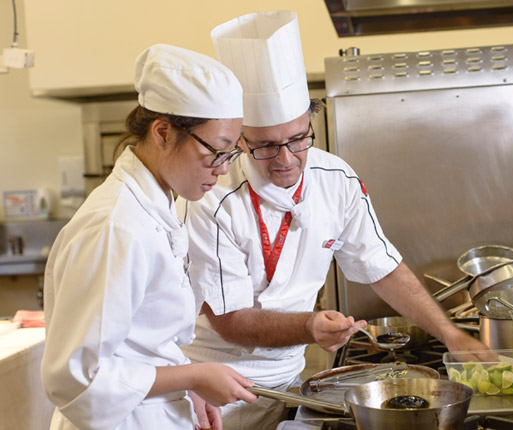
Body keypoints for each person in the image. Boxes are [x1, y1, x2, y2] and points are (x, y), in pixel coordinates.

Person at [178, 10, 488, 429]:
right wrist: (310, 325)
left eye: (298, 138)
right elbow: (232, 321)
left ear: (311, 121)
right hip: (213, 390)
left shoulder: (336, 179)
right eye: (266, 146)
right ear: (239, 139)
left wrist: (449, 333)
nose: (286, 159)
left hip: (291, 379)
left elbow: (383, 266)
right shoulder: (211, 198)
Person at [40, 44, 257, 430]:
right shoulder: (116, 226)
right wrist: (194, 376)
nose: (223, 171)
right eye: (216, 152)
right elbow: (77, 380)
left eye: (230, 155)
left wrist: (186, 383)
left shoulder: (156, 206)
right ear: (162, 133)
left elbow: (138, 343)